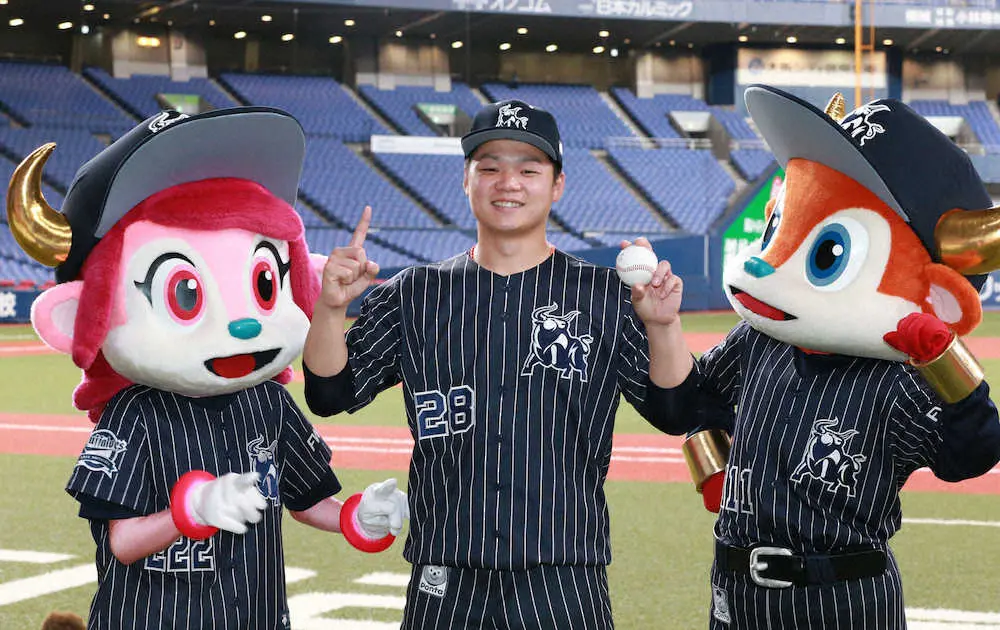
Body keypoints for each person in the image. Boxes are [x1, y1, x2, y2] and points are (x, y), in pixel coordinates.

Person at [302, 99, 700, 629]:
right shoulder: (414, 294)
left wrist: (663, 326)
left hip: (564, 575)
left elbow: (675, 412)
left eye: (529, 170)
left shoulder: (606, 295)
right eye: (489, 167)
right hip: (445, 574)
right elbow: (330, 394)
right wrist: (331, 311)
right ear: (466, 180)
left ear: (557, 185)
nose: (508, 182)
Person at [7, 107, 407, 629]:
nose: (241, 325)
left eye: (263, 283)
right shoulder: (134, 414)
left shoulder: (268, 402)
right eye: (186, 293)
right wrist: (189, 512)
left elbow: (307, 499)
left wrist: (356, 517)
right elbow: (122, 540)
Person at [655, 86, 1000, 629]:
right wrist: (710, 460)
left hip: (841, 599)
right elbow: (691, 405)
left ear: (936, 294)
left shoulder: (899, 376)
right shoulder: (758, 341)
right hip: (736, 595)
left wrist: (948, 364)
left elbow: (970, 456)